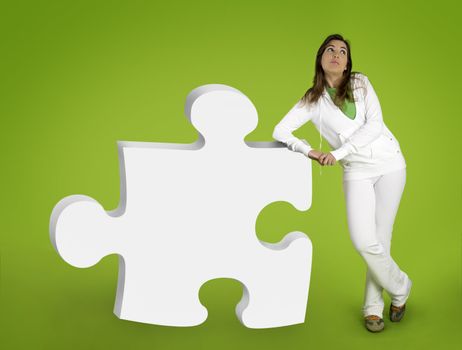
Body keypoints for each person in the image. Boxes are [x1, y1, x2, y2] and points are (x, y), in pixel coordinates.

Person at [272, 34, 412, 333]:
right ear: (320, 58)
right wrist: (307, 150)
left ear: (347, 64)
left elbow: (375, 125)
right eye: (330, 50)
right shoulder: (312, 100)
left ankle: (373, 309)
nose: (336, 54)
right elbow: (280, 130)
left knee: (381, 238)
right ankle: (401, 287)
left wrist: (337, 153)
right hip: (356, 171)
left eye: (343, 51)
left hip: (390, 164)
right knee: (364, 240)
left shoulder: (360, 82)